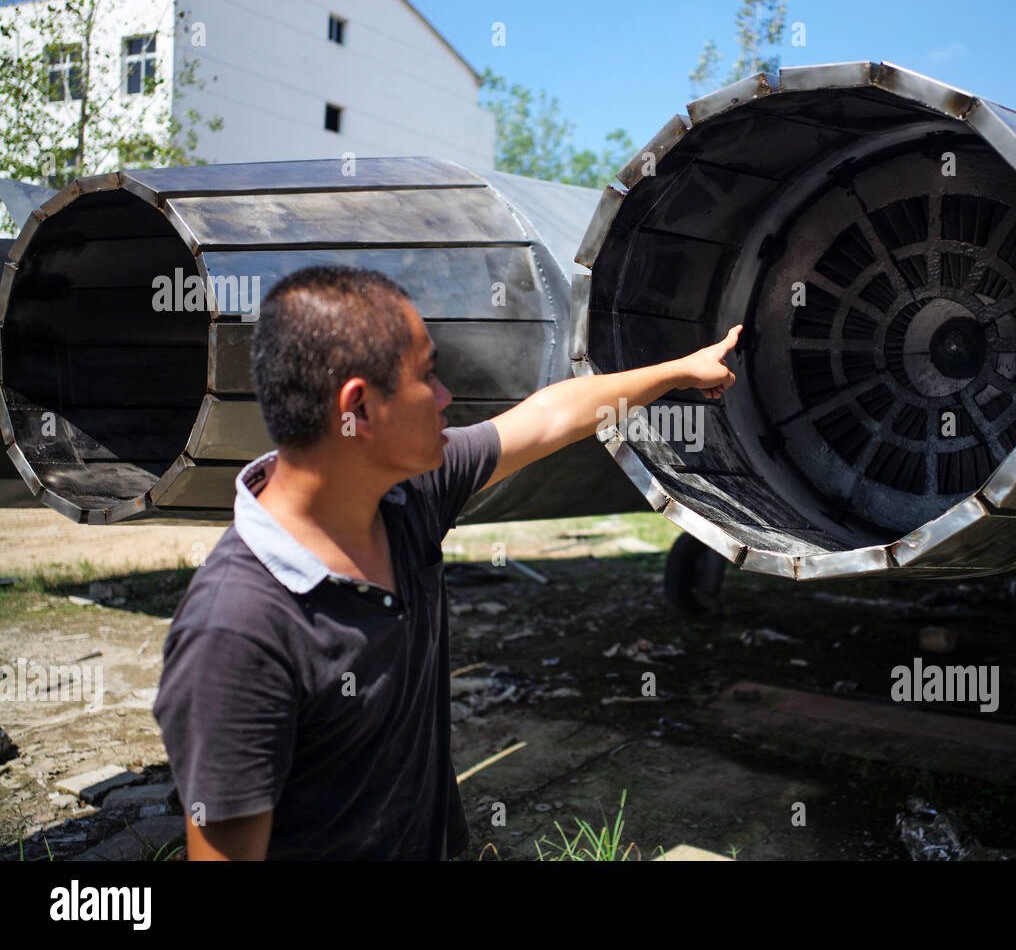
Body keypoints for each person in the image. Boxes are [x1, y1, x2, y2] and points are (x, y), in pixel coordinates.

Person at [151, 265, 741, 860]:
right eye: (427, 375)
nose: (445, 397)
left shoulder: (408, 495)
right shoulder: (235, 632)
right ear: (359, 406)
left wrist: (680, 371)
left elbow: (550, 416)